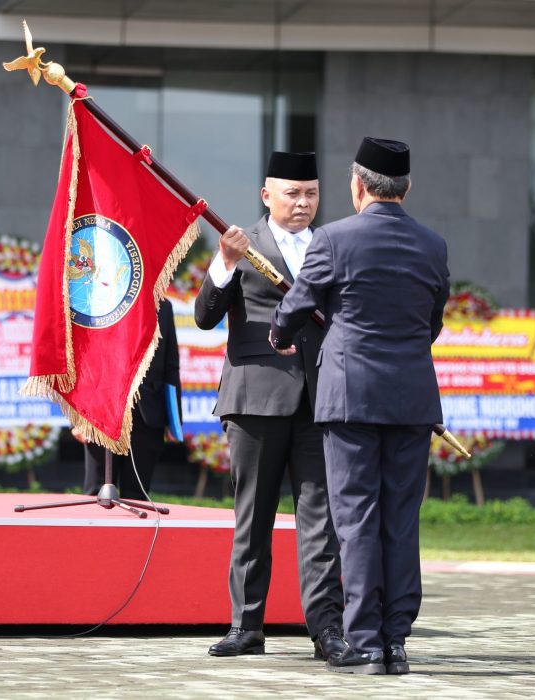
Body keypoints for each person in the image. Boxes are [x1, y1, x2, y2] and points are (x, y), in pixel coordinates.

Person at [270, 137, 449, 675]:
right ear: (407, 188)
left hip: (350, 399)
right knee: (401, 520)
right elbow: (433, 320)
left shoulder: (333, 239)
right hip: (412, 397)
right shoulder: (433, 244)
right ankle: (396, 640)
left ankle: (366, 642)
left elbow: (299, 305)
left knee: (356, 520)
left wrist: (281, 332)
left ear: (357, 186)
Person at [195, 152, 345, 661]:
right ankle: (246, 625)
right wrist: (226, 262)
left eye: (311, 194)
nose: (303, 204)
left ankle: (327, 629)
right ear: (267, 195)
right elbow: (204, 317)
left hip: (320, 399)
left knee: (322, 521)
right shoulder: (244, 245)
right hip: (256, 399)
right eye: (292, 194)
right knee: (253, 516)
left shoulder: (332, 245)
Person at [74, 299, 180, 501]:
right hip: (101, 412)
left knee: (138, 497)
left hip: (147, 413)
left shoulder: (163, 306)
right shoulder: (99, 300)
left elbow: (171, 365)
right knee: (97, 495)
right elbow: (84, 359)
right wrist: (79, 418)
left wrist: (175, 422)